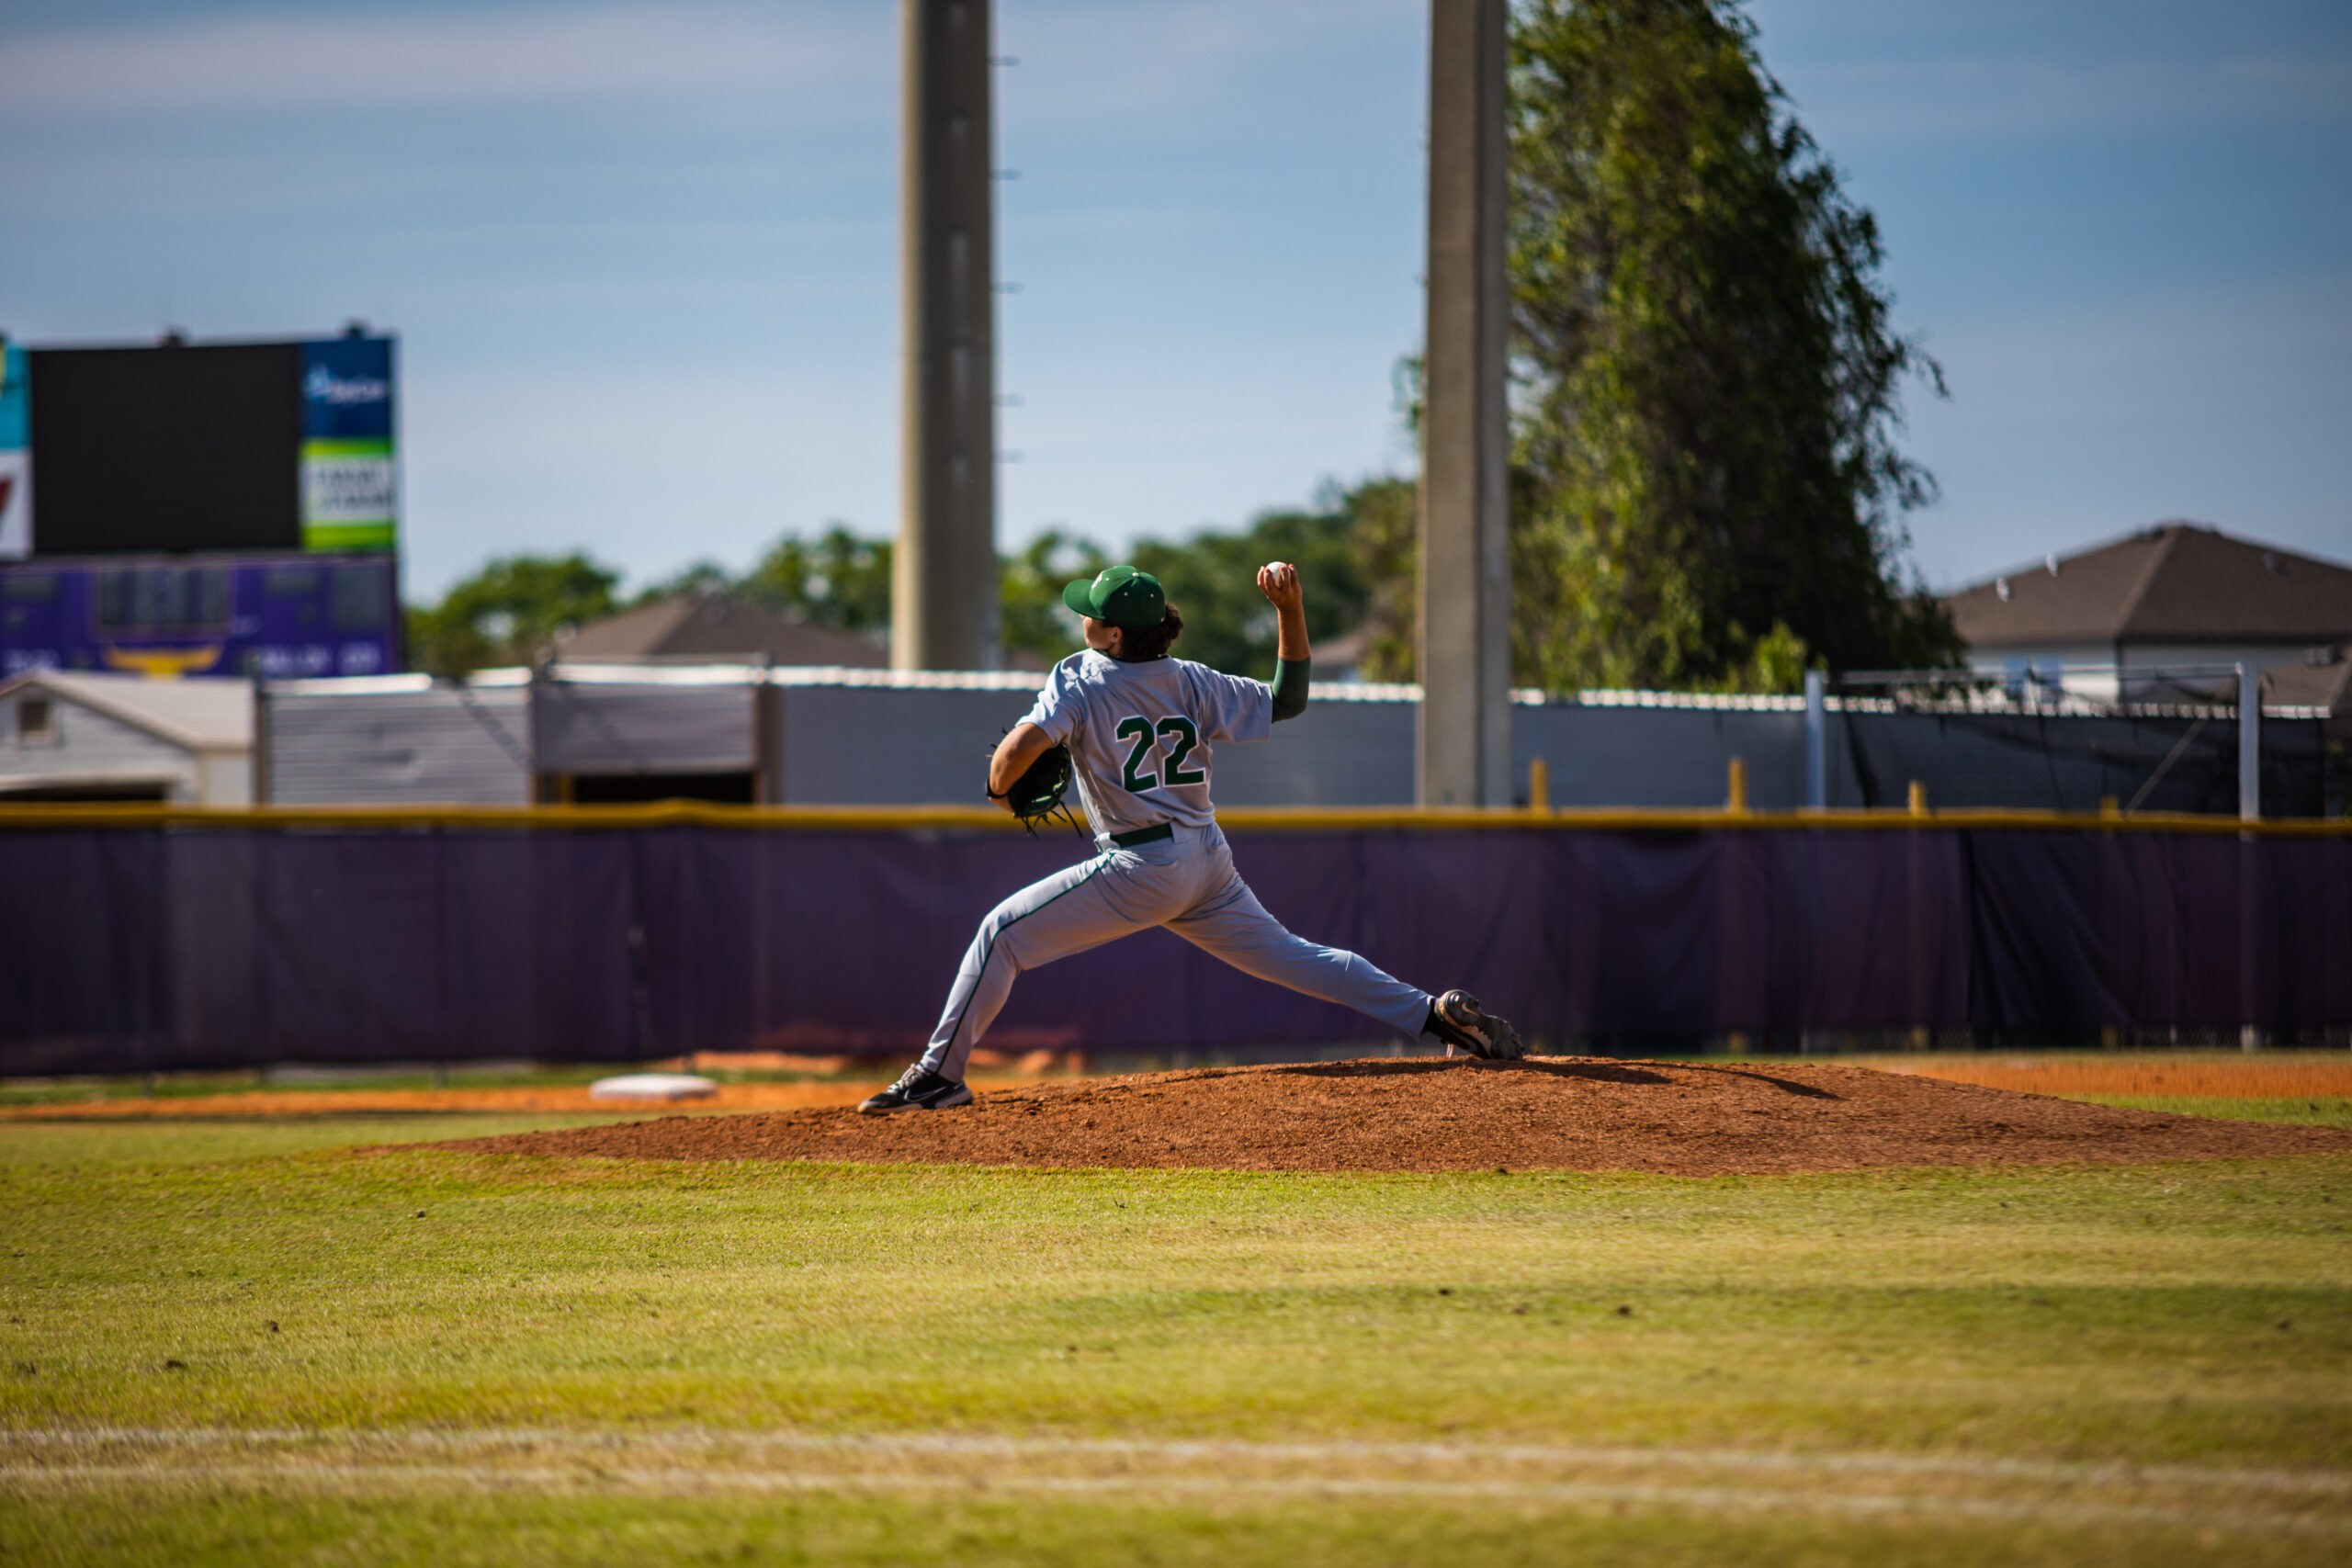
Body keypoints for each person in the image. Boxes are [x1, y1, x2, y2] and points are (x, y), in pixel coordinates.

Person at [858, 560, 1522, 1114]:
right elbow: (1287, 699)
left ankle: (939, 1074)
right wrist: (1290, 609)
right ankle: (1437, 1017)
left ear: (1113, 634)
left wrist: (1000, 788)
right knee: (1302, 957)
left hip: (1140, 865)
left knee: (1001, 934)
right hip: (1207, 858)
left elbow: (1019, 752)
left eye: (1091, 613)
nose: (1082, 619)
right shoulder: (1193, 679)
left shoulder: (1081, 673)